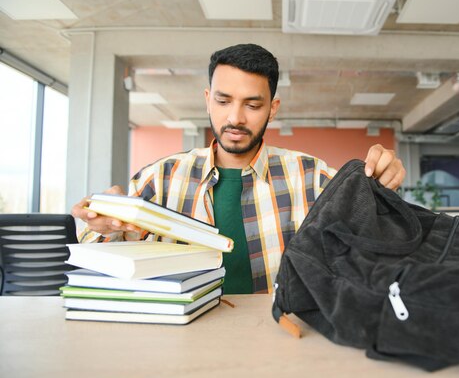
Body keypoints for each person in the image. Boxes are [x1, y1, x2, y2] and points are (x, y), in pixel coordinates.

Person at [72, 43, 406, 294]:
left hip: (283, 340)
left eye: (253, 104)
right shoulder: (159, 178)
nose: (235, 118)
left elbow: (374, 239)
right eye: (223, 101)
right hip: (182, 342)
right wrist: (107, 224)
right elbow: (91, 251)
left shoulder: (312, 177)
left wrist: (382, 183)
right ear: (207, 99)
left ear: (272, 109)